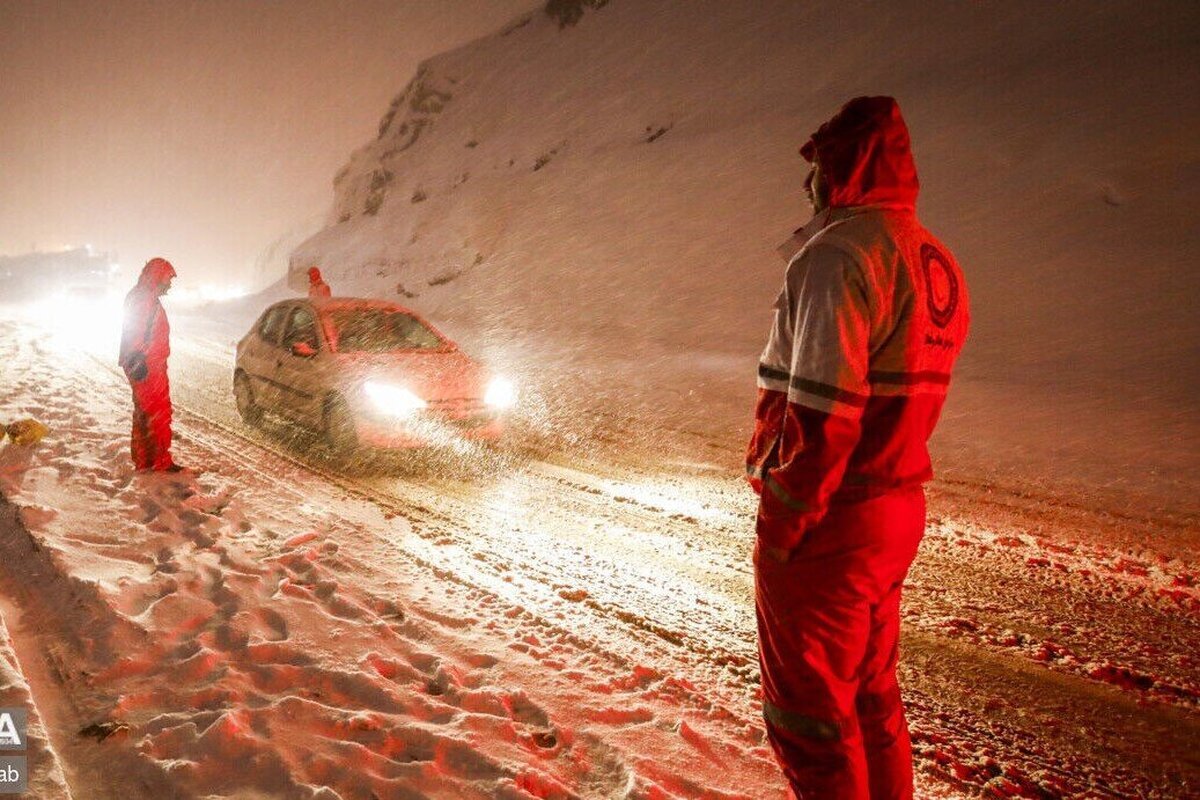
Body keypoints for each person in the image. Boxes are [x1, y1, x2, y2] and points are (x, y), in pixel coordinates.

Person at [746, 96, 970, 799]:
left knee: (809, 716)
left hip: (833, 518)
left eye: (817, 165)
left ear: (845, 169)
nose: (806, 182)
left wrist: (782, 522)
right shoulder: (934, 257)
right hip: (896, 508)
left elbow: (823, 413)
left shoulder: (837, 255)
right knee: (871, 698)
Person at [119, 257, 182, 472]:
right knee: (157, 413)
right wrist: (137, 358)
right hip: (146, 364)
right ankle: (159, 462)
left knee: (145, 413)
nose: (170, 285)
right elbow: (135, 329)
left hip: (145, 362)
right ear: (157, 278)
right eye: (168, 279)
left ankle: (146, 460)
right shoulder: (144, 299)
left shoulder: (143, 296)